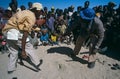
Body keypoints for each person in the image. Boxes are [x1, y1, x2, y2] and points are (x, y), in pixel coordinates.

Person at [2, 2, 44, 73]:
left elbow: (26, 26)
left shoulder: (25, 12)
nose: (41, 13)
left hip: (7, 32)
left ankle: (11, 68)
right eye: (40, 11)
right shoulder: (32, 17)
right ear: (37, 10)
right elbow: (25, 35)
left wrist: (39, 29)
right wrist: (23, 51)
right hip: (14, 32)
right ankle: (37, 63)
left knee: (13, 51)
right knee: (29, 47)